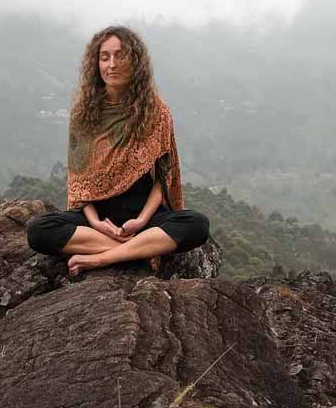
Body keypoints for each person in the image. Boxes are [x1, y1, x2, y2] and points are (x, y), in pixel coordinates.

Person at [26, 25, 210, 276]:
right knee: (39, 230)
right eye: (104, 57)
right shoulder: (83, 114)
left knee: (197, 225)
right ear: (96, 64)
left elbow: (163, 178)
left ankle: (102, 258)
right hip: (99, 218)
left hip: (143, 216)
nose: (111, 64)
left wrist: (143, 220)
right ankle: (139, 252)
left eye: (119, 56)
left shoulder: (156, 112)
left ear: (135, 62)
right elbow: (80, 183)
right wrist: (96, 223)